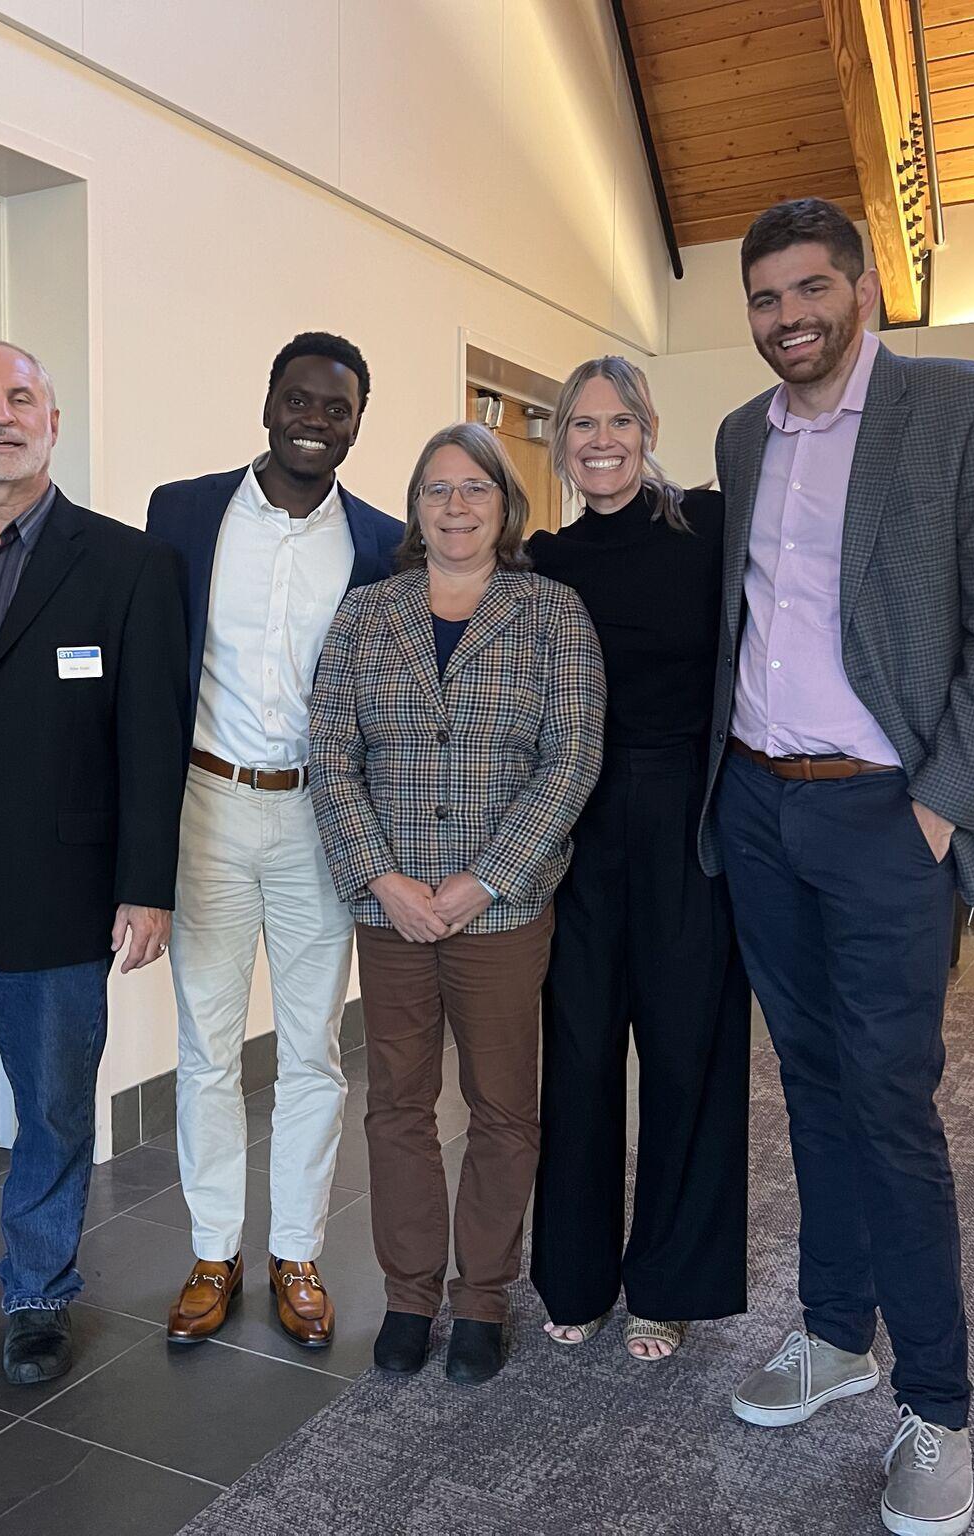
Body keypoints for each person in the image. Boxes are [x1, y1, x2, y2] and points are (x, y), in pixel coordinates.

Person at [698, 198, 974, 1536]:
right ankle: (837, 1335)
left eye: (809, 288)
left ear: (860, 288)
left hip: (884, 817)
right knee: (811, 1087)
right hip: (758, 807)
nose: (787, 315)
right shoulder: (744, 436)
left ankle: (940, 1404)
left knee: (894, 1109)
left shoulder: (968, 409)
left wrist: (936, 808)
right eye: (763, 297)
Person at [0, 341, 190, 1386]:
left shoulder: (127, 563)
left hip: (56, 884)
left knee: (53, 1100)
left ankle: (40, 1290)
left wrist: (145, 884)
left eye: (20, 399)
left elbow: (152, 737)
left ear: (53, 423)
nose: (0, 416)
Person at [309, 421, 603, 1386]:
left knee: (502, 1107)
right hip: (390, 908)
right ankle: (407, 1292)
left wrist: (485, 878)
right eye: (437, 489)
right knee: (395, 1104)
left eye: (475, 487)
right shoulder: (366, 616)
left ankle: (480, 1298)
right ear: (415, 508)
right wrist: (382, 878)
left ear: (505, 504)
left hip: (501, 911)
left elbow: (570, 763)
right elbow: (333, 757)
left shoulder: (553, 614)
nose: (457, 506)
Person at [144, 333, 404, 1349]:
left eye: (334, 408)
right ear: (265, 405)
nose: (312, 418)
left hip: (317, 817)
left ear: (353, 425)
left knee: (312, 1051)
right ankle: (214, 1250)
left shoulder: (379, 542)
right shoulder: (182, 514)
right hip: (204, 805)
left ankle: (295, 1251)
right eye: (296, 399)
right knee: (206, 1045)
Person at [526, 357, 750, 1363]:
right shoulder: (541, 561)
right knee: (573, 1059)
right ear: (558, 441)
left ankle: (664, 1284)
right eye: (580, 425)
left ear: (649, 426)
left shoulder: (707, 531)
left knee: (683, 1057)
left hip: (688, 827)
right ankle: (573, 1274)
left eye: (618, 421)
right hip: (574, 825)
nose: (599, 440)